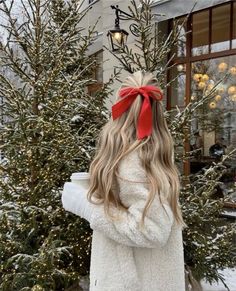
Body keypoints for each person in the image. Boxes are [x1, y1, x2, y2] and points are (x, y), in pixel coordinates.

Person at [62, 71, 186, 291]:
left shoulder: (134, 158)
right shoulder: (150, 155)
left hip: (132, 284)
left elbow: (152, 230)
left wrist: (88, 206)